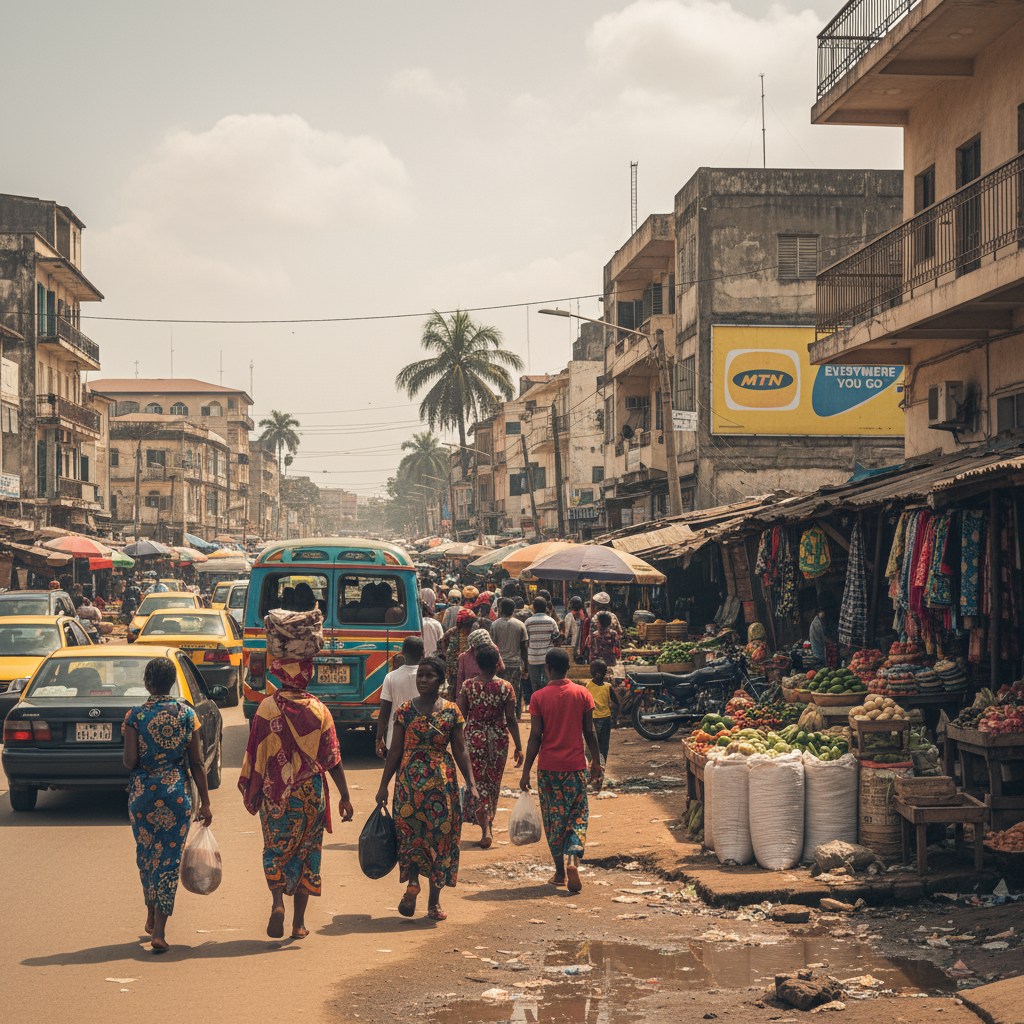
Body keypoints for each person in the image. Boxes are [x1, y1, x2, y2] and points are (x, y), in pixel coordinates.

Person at [238, 654, 354, 939]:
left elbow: (255, 751)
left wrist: (253, 788)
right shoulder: (319, 710)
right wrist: (345, 796)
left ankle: (278, 903)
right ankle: (298, 923)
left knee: (274, 848)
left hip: (277, 792)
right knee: (308, 852)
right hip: (311, 792)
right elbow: (332, 758)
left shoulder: (266, 707)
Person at [375, 654, 479, 921]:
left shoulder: (411, 711)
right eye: (420, 675)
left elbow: (461, 750)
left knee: (417, 838)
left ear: (440, 681)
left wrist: (471, 783)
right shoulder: (438, 711)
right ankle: (432, 903)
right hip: (435, 789)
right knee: (437, 841)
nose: (422, 680)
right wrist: (383, 786)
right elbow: (395, 751)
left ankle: (415, 886)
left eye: (428, 676)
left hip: (414, 785)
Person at [123, 656, 213, 952]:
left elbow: (130, 761)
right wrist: (206, 803)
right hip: (177, 796)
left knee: (147, 856)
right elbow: (197, 762)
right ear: (173, 682)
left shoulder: (134, 716)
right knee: (169, 861)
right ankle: (159, 931)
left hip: (143, 797)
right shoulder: (188, 715)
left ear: (147, 682)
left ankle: (150, 908)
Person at [519, 648, 603, 894]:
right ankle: (572, 860)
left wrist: (526, 771)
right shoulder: (582, 693)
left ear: (547, 668)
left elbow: (535, 736)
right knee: (578, 814)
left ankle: (558, 872)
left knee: (554, 820)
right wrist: (595, 761)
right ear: (568, 668)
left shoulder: (538, 697)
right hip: (575, 768)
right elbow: (590, 731)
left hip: (548, 769)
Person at [456, 644, 522, 848]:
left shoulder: (468, 686)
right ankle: (487, 827)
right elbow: (511, 719)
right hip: (498, 740)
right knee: (492, 784)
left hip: (474, 739)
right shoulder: (506, 687)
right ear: (496, 664)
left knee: (476, 782)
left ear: (477, 664)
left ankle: (484, 826)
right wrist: (519, 746)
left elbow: (460, 716)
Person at [376, 637, 424, 759]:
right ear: (423, 652)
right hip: (424, 736)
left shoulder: (391, 677)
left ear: (403, 653)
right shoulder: (427, 677)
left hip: (396, 738)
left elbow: (385, 709)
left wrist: (379, 738)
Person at [491, 597, 529, 718]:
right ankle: (515, 715)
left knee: (499, 691)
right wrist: (526, 666)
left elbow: (492, 646)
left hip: (499, 665)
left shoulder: (495, 625)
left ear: (501, 609)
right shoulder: (520, 625)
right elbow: (524, 648)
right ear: (514, 610)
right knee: (514, 691)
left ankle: (500, 715)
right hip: (515, 664)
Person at [524, 597, 560, 707]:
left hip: (533, 657)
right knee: (547, 683)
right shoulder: (551, 621)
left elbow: (526, 640)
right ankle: (547, 705)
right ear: (545, 608)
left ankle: (537, 706)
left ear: (534, 608)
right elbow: (556, 637)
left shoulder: (528, 622)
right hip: (547, 657)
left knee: (535, 683)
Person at [456, 628, 506, 700]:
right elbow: (460, 680)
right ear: (474, 647)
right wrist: (459, 698)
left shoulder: (492, 650)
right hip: (472, 695)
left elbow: (502, 667)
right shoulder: (463, 657)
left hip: (491, 693)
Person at [441, 607, 476, 696]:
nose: (469, 627)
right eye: (467, 625)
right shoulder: (450, 633)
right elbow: (444, 648)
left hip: (468, 669)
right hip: (454, 669)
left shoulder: (473, 634)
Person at [579, 592, 623, 661]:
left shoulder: (594, 618)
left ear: (597, 606)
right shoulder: (613, 616)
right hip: (610, 657)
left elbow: (589, 641)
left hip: (597, 658)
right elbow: (620, 632)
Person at [586, 658, 613, 767]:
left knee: (592, 745)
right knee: (603, 746)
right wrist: (615, 717)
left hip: (594, 719)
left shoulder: (588, 686)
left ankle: (593, 766)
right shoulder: (608, 687)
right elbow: (617, 702)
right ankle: (601, 767)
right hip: (605, 719)